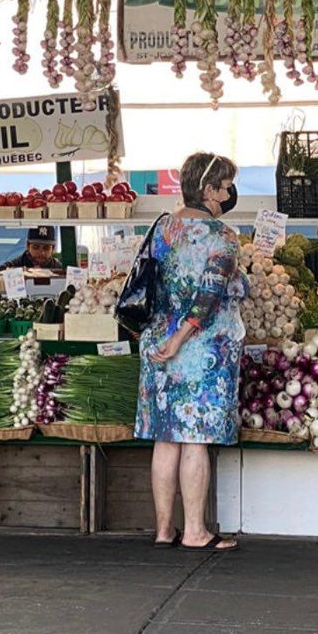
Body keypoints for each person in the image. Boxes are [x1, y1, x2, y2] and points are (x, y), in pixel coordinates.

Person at [134, 151, 243, 552]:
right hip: (200, 351)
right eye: (226, 186)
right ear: (209, 189)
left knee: (165, 438)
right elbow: (208, 296)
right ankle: (195, 531)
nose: (229, 194)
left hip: (156, 342)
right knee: (194, 438)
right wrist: (181, 340)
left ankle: (164, 529)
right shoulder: (222, 236)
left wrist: (165, 339)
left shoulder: (162, 228)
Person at [0, 224, 65, 274]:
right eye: (36, 247)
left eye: (46, 248)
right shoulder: (13, 266)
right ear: (27, 246)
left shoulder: (60, 270)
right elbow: (0, 271)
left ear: (53, 248)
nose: (41, 253)